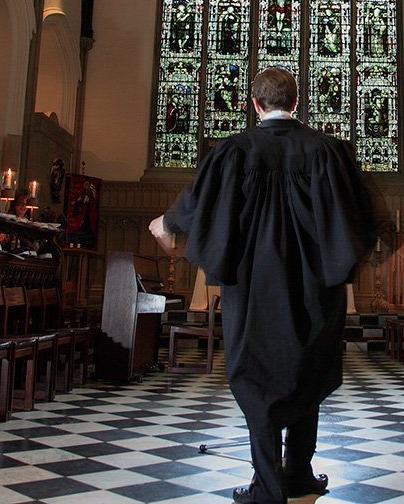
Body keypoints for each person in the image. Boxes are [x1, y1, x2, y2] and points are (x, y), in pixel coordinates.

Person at [149, 67, 375, 504]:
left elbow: (202, 200)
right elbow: (358, 216)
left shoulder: (235, 150)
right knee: (308, 368)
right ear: (296, 102)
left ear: (255, 104)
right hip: (314, 284)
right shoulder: (327, 151)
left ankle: (269, 486)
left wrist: (169, 221)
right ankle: (300, 475)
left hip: (254, 285)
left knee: (258, 375)